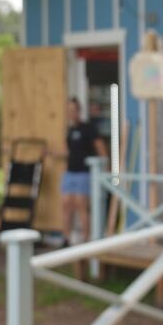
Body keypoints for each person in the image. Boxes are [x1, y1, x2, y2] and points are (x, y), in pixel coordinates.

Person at [60, 98, 107, 246]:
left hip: (83, 173)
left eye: (74, 109)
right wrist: (50, 153)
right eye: (69, 110)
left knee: (81, 205)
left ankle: (86, 238)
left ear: (78, 111)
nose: (71, 113)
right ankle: (66, 238)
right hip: (70, 172)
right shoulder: (70, 130)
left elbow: (100, 147)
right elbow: (68, 152)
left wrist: (106, 166)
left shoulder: (88, 128)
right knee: (66, 204)